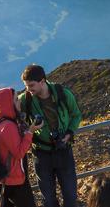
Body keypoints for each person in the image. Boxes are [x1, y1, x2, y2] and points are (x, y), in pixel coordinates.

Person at [19, 64, 82, 207]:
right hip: (41, 153)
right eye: (26, 86)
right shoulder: (25, 99)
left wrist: (69, 133)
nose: (28, 89)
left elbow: (76, 115)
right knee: (48, 199)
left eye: (31, 85)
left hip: (64, 149)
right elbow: (8, 111)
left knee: (70, 196)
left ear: (42, 81)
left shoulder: (63, 93)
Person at [0, 87, 43, 207]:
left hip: (3, 178)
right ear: (8, 103)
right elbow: (18, 153)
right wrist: (31, 132)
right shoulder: (8, 126)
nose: (19, 102)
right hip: (13, 179)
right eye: (16, 100)